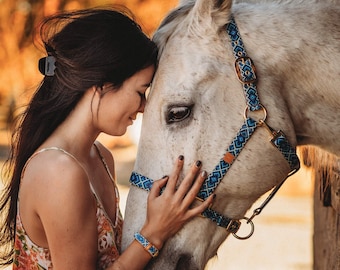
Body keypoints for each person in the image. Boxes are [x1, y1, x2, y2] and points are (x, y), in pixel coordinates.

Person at [0, 6, 214, 270]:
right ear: (101, 84)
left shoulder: (101, 156)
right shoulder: (57, 172)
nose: (143, 106)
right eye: (140, 91)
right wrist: (154, 232)